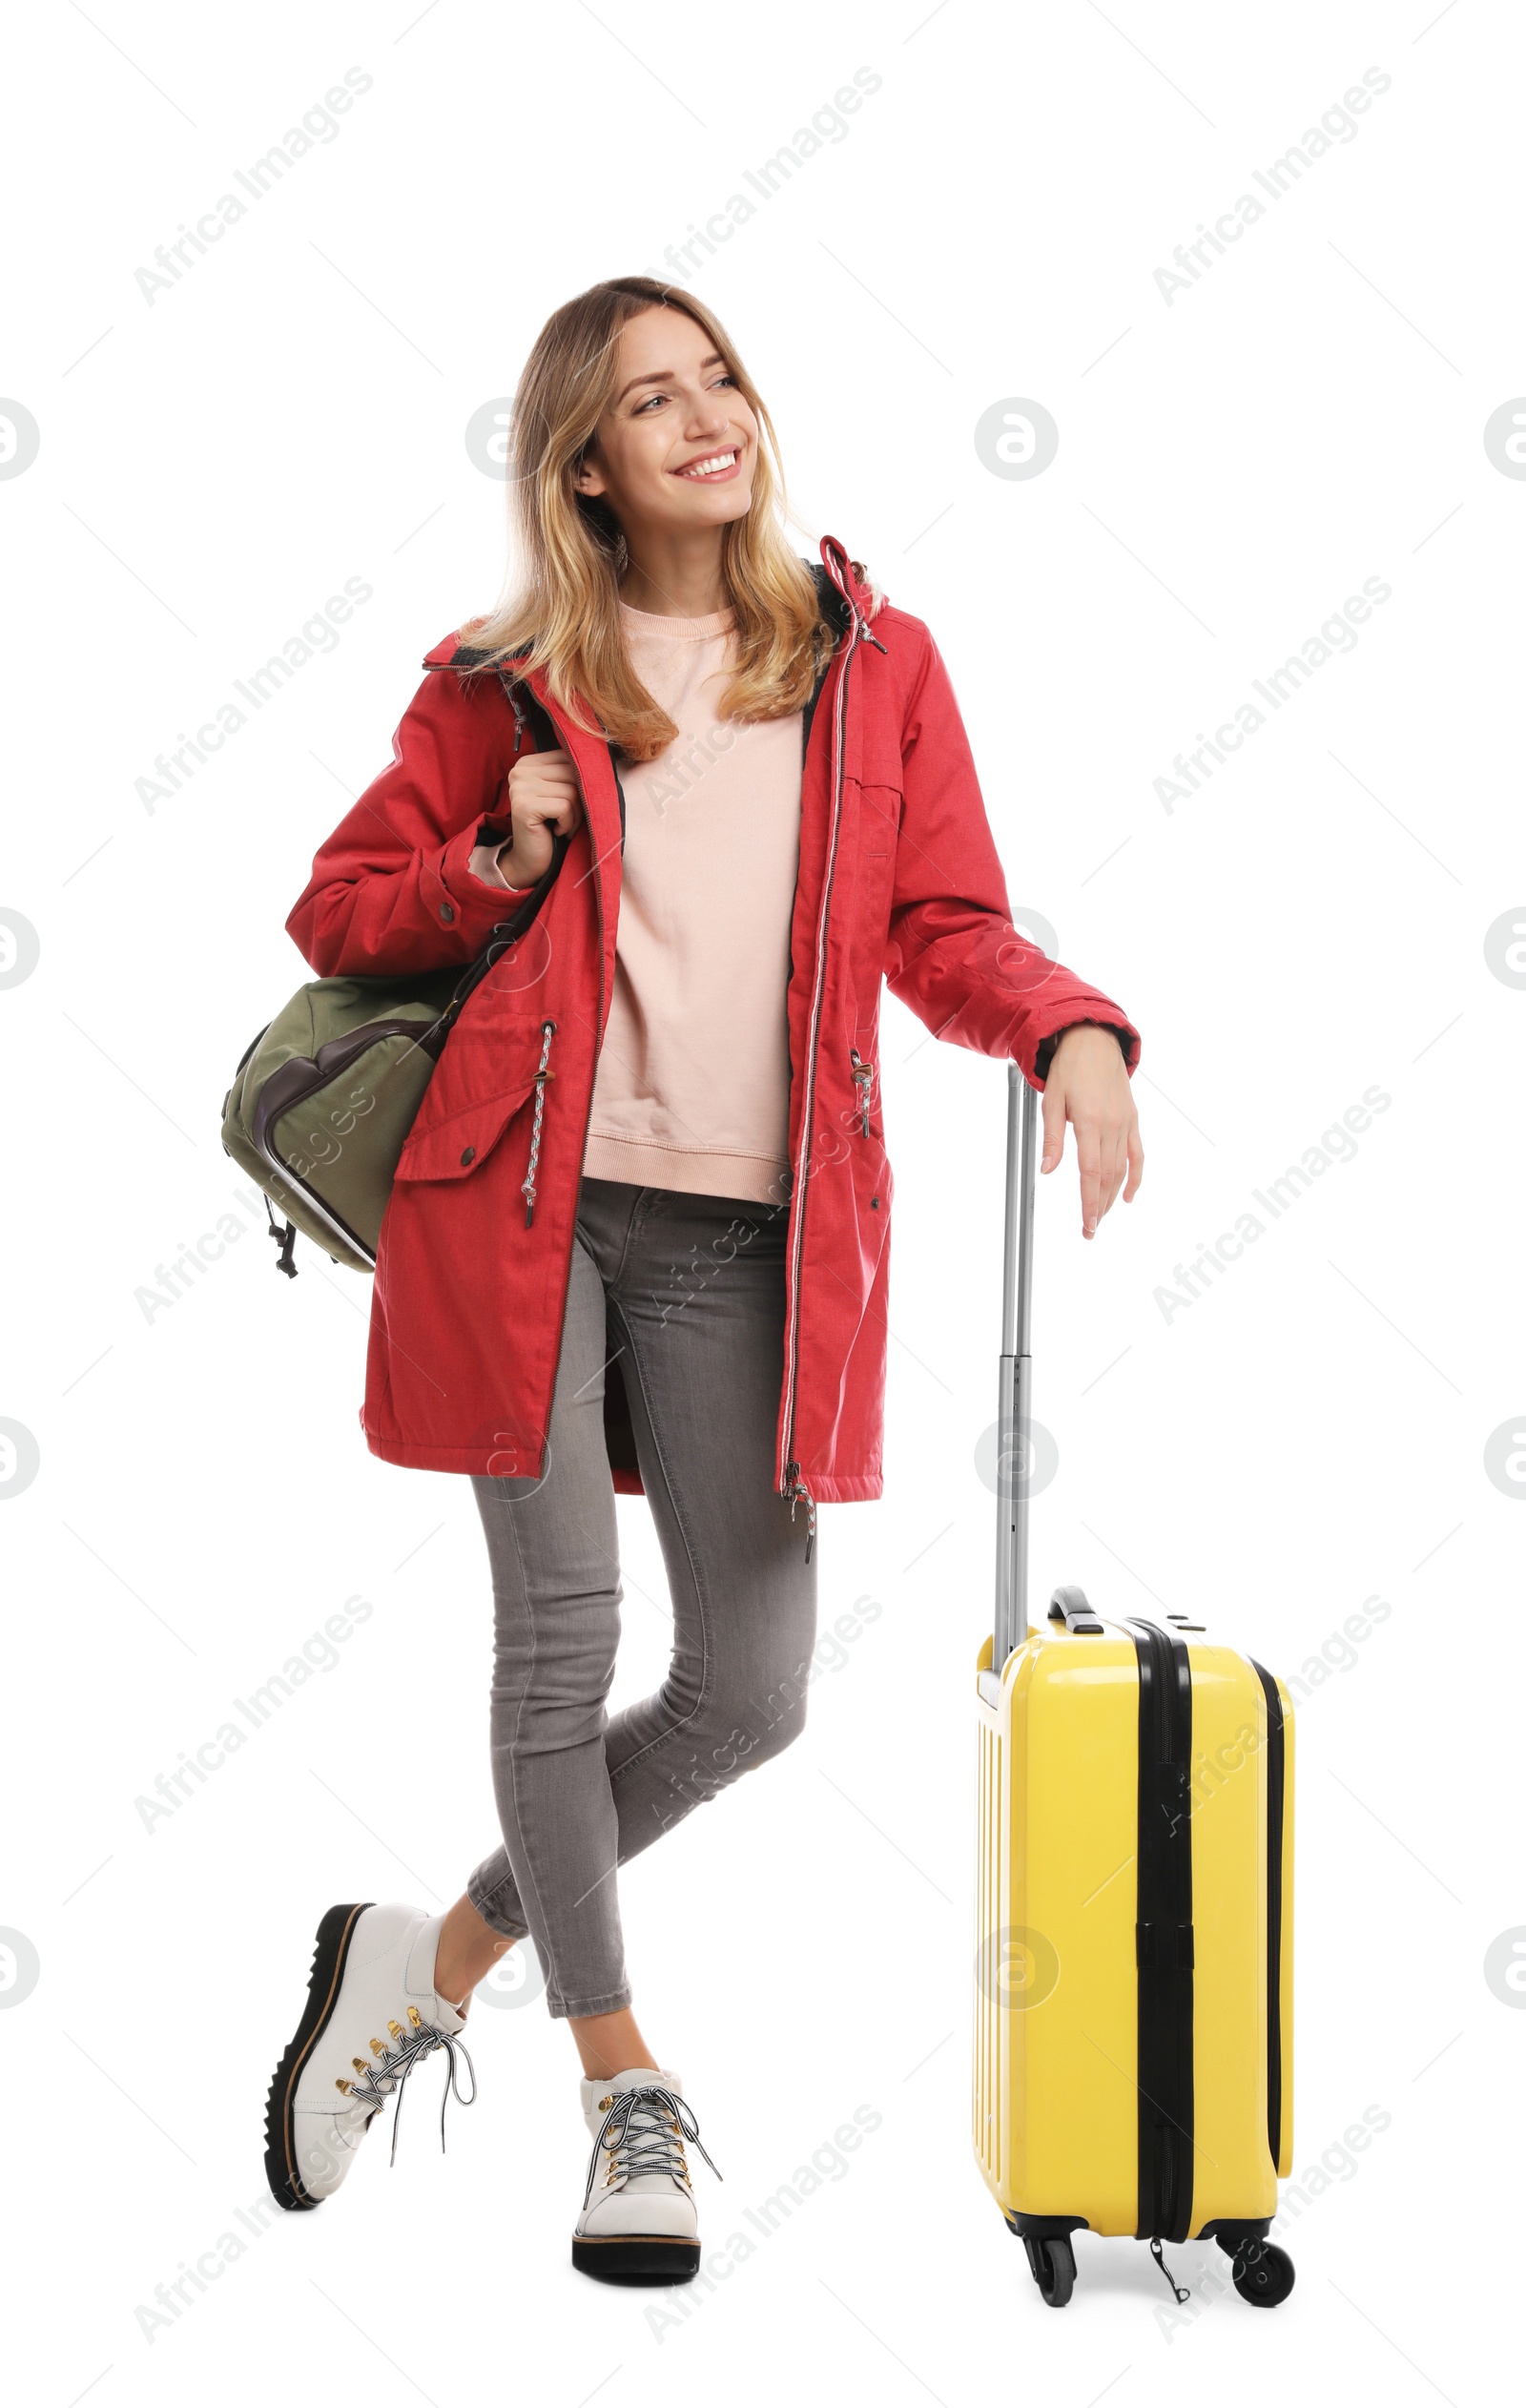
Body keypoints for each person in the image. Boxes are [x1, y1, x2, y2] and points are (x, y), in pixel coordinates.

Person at [263, 275, 1144, 2284]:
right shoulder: (497, 677)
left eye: (716, 376)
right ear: (586, 459)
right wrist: (494, 846)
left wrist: (1065, 1022)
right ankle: (620, 2085)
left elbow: (940, 920)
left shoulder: (871, 664)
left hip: (751, 1232)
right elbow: (341, 903)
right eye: (647, 399)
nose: (701, 417)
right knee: (557, 1643)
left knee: (747, 1689)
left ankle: (432, 1956)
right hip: (524, 1208)